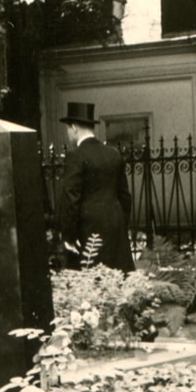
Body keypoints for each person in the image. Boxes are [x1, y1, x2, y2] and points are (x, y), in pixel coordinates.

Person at [56, 102, 135, 273]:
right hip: (115, 226)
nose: (68, 134)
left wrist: (68, 236)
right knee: (119, 281)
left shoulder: (75, 157)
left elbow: (71, 198)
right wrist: (121, 223)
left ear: (74, 127)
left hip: (88, 230)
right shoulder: (113, 154)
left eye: (68, 129)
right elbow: (125, 197)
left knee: (90, 283)